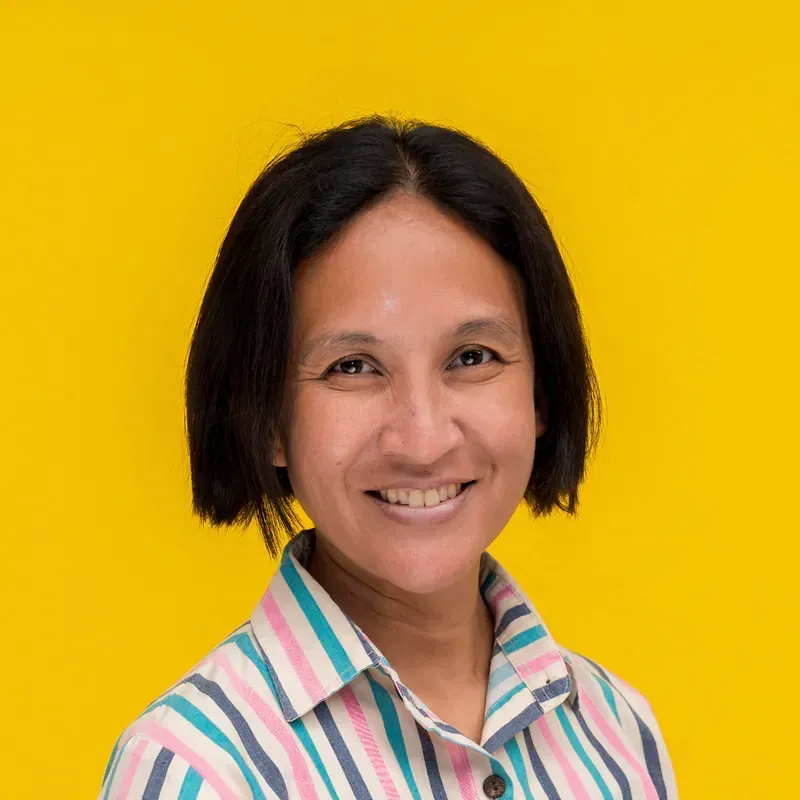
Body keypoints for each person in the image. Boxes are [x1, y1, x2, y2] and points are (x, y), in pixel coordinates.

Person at [99, 115, 678, 799]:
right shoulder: (198, 771)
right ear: (267, 419)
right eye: (353, 367)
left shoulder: (617, 733)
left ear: (541, 391)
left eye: (471, 357)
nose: (423, 439)